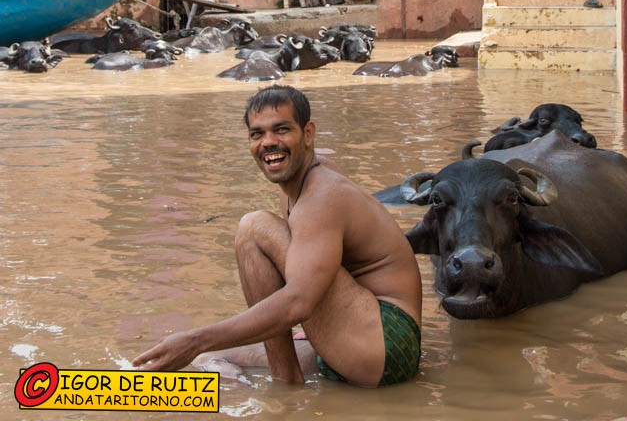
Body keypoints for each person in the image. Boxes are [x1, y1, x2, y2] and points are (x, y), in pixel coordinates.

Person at [133, 86, 422, 387]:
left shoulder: (322, 194)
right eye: (257, 134)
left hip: (385, 341)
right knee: (212, 359)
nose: (269, 143)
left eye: (281, 130)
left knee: (254, 227)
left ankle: (285, 384)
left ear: (308, 134)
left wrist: (196, 339)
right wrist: (201, 348)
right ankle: (281, 397)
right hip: (365, 338)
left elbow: (299, 302)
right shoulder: (297, 184)